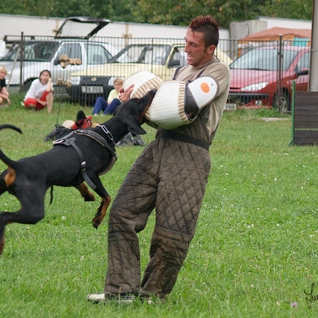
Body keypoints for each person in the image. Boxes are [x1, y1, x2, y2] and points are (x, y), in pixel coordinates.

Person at [87, 15, 230, 304]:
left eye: (193, 45)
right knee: (123, 213)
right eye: (186, 42)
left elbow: (184, 107)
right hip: (159, 146)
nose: (186, 49)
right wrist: (134, 102)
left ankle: (153, 295)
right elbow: (165, 114)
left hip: (190, 153)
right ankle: (120, 291)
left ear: (210, 49)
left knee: (171, 233)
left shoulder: (218, 72)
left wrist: (150, 98)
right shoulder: (180, 71)